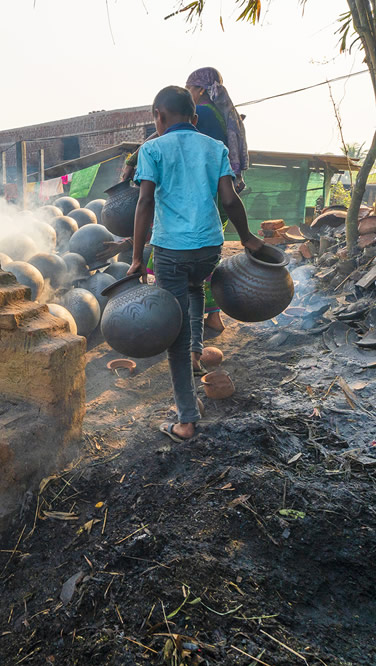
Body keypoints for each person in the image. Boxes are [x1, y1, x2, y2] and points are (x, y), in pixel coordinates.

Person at [109, 86, 262, 441]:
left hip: (171, 251)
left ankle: (187, 419)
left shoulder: (152, 149)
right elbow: (229, 197)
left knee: (174, 333)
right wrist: (249, 236)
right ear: (194, 119)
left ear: (158, 117)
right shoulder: (215, 147)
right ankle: (196, 356)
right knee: (195, 293)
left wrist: (135, 256)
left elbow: (144, 203)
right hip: (209, 247)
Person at [185, 67, 250, 335]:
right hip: (220, 193)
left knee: (197, 255)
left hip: (209, 193)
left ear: (200, 89)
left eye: (188, 87)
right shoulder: (223, 115)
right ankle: (210, 315)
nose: (186, 92)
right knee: (208, 252)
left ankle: (209, 316)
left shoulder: (205, 116)